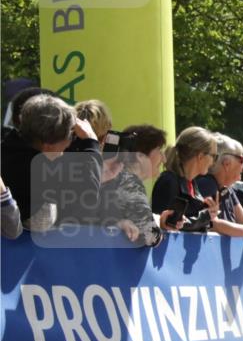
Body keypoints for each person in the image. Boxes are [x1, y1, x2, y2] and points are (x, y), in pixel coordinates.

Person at [0, 94, 101, 231]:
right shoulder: (40, 170)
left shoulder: (9, 147)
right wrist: (91, 143)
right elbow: (88, 196)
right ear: (48, 145)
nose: (71, 141)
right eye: (70, 135)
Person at [101, 125, 176, 246]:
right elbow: (149, 235)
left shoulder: (111, 178)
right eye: (159, 150)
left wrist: (159, 221)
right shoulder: (129, 182)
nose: (164, 158)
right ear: (140, 156)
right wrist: (158, 233)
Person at [150, 126, 218, 231]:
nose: (214, 162)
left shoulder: (192, 183)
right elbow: (167, 224)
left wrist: (209, 214)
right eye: (214, 156)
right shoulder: (169, 181)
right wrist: (205, 216)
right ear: (200, 156)